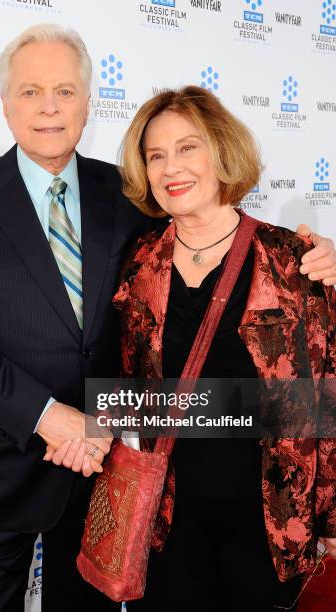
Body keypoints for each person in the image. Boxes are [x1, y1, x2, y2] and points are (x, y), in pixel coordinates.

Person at [0, 22, 335, 612]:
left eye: (65, 90)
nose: (49, 108)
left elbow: (309, 387)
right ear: (4, 103)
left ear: (89, 103)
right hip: (5, 469)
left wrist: (323, 258)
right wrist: (48, 417)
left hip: (118, 478)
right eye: (30, 91)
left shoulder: (126, 196)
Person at [108, 86, 336, 612]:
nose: (172, 167)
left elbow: (322, 397)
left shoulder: (290, 259)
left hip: (268, 523)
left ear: (221, 153)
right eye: (156, 154)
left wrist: (329, 519)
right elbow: (131, 387)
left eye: (188, 147)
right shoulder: (141, 261)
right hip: (167, 518)